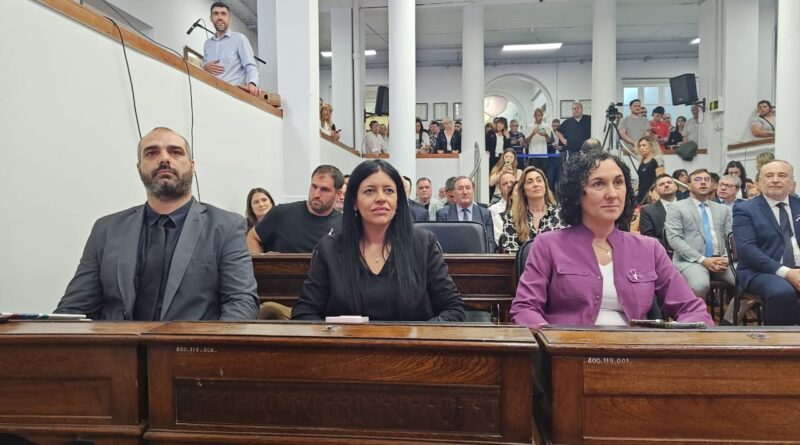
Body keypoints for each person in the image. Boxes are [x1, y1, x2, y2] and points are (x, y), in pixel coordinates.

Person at [55, 127, 258, 320]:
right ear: (139, 169)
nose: (164, 159)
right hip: (117, 343)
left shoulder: (226, 226)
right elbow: (75, 308)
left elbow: (241, 302)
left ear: (192, 166)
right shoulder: (106, 229)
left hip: (193, 344)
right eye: (151, 153)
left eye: (175, 152)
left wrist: (212, 346)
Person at [511, 151, 712, 328]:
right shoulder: (548, 245)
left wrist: (680, 340)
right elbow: (525, 309)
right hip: (568, 352)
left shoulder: (649, 248)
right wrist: (551, 341)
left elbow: (692, 309)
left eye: (618, 183)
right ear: (577, 194)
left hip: (635, 352)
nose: (612, 194)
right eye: (598, 184)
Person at [291, 160, 466, 322]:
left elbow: (454, 309)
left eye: (389, 190)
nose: (381, 198)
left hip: (412, 345)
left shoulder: (423, 243)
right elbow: (304, 313)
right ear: (354, 201)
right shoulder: (329, 249)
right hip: (347, 345)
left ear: (398, 201)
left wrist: (418, 337)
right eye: (370, 191)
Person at [732, 160, 800, 325]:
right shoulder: (745, 209)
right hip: (761, 271)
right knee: (782, 292)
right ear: (760, 182)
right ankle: (781, 340)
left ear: (792, 182)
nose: (775, 180)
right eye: (769, 176)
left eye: (782, 175)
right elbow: (748, 250)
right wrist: (787, 273)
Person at [665, 169, 735, 301]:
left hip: (721, 260)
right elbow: (674, 239)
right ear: (689, 185)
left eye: (707, 179)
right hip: (690, 261)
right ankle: (696, 314)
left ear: (713, 185)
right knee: (699, 286)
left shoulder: (722, 209)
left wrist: (727, 257)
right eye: (697, 179)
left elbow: (730, 236)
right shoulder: (676, 207)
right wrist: (703, 260)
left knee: (747, 280)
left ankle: (731, 315)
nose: (703, 182)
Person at [247, 165, 344, 253]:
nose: (316, 194)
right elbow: (253, 237)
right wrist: (261, 263)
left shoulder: (344, 224)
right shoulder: (282, 213)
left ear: (338, 194)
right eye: (314, 186)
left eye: (324, 189)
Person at [498, 167, 563, 254]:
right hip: (524, 263)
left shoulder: (561, 214)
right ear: (523, 191)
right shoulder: (512, 217)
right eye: (530, 182)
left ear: (545, 186)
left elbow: (566, 249)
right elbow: (510, 253)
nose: (536, 184)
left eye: (539, 180)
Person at [202, 2, 259, 96]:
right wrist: (205, 67)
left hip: (234, 95)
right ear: (211, 18)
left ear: (229, 18)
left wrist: (252, 83)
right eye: (216, 13)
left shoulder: (239, 39)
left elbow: (250, 66)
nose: (220, 17)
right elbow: (204, 67)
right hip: (211, 93)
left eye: (223, 14)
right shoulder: (207, 44)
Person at [436, 176, 497, 252]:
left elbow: (490, 243)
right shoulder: (443, 214)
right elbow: (441, 243)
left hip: (479, 257)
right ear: (453, 192)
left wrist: (482, 258)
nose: (465, 192)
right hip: (452, 257)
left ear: (473, 190)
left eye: (468, 188)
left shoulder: (485, 214)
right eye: (460, 188)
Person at [639, 174, 678, 239]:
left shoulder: (688, 206)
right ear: (656, 190)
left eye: (669, 182)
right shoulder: (647, 211)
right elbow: (648, 237)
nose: (666, 185)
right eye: (661, 184)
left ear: (676, 187)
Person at [488, 172, 517, 246]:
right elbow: (499, 238)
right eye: (505, 184)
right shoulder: (493, 210)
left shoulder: (528, 206)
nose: (509, 185)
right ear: (500, 189)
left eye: (512, 182)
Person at [634, 137, 665, 204]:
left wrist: (654, 194)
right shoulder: (642, 160)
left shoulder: (657, 159)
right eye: (640, 146)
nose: (641, 148)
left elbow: (660, 179)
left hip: (651, 195)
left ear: (651, 146)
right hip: (641, 194)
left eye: (644, 145)